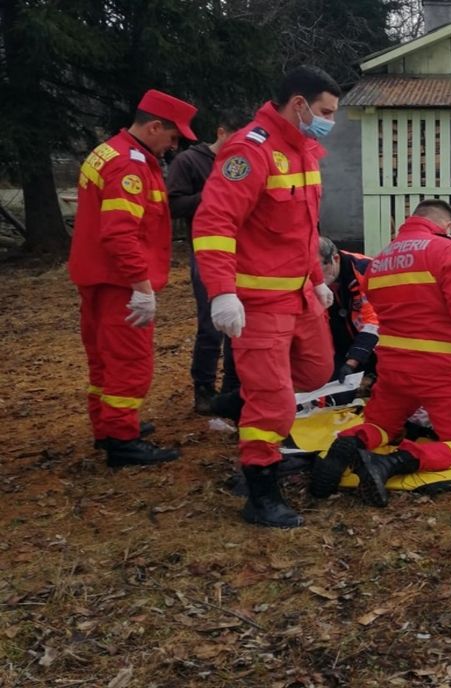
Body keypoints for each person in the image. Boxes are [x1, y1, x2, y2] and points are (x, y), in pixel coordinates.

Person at [193, 65, 341, 528]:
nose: (329, 121)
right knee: (274, 402)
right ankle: (260, 492)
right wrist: (222, 293)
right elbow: (214, 224)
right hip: (259, 303)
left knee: (319, 370)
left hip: (300, 297)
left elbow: (304, 229)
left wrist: (317, 278)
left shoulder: (304, 151)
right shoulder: (249, 150)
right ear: (298, 104)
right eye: (324, 111)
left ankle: (243, 402)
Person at [315, 200, 451, 507]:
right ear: (447, 226)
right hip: (438, 366)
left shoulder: (381, 259)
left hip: (392, 364)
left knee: (382, 426)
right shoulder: (445, 250)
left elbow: (375, 308)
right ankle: (395, 463)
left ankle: (345, 445)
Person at [69, 89, 197, 468]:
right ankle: (122, 440)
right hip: (120, 282)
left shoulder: (108, 151)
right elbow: (120, 233)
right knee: (129, 361)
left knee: (103, 359)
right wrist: (141, 287)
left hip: (97, 277)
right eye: (173, 138)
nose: (174, 147)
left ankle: (107, 426)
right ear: (155, 126)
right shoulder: (130, 165)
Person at [166, 110, 247, 414]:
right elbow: (173, 204)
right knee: (211, 325)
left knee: (240, 325)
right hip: (207, 253)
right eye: (235, 140)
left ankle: (232, 389)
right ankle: (203, 389)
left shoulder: (244, 162)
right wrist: (213, 195)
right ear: (221, 132)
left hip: (242, 254)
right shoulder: (188, 162)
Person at [317, 236, 379, 382]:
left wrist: (352, 362)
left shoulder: (365, 269)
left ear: (335, 259)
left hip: (372, 345)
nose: (315, 277)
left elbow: (374, 323)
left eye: (318, 269)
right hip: (334, 345)